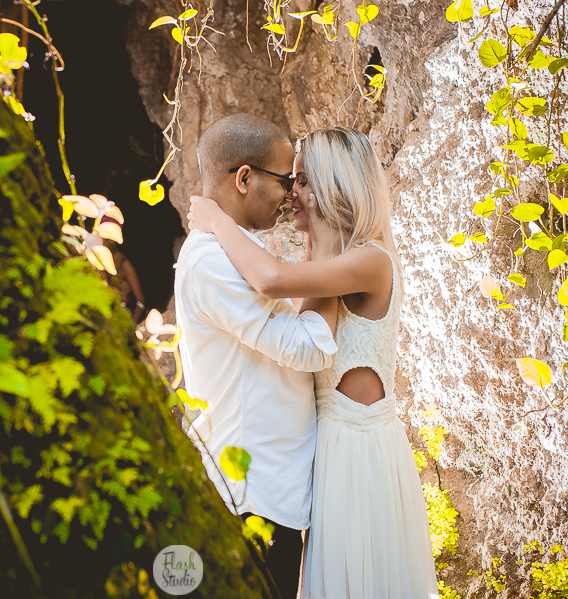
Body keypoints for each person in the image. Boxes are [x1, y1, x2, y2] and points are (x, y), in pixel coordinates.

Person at [187, 127, 439, 599]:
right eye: (291, 180)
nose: (291, 194)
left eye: (301, 181)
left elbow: (270, 279)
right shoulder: (325, 264)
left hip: (358, 449)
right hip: (329, 450)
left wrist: (217, 221)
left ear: (331, 187)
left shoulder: (369, 260)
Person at [174, 113, 338, 599]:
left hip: (268, 487)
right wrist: (330, 259)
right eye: (286, 180)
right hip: (251, 491)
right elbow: (306, 347)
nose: (291, 194)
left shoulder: (232, 250)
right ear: (244, 178)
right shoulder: (212, 262)